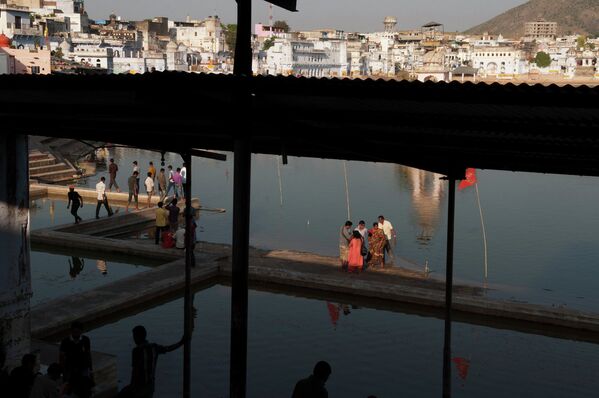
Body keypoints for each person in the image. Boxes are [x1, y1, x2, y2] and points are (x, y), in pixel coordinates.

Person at [118, 325, 183, 398]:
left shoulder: (136, 351)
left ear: (138, 337)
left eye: (134, 336)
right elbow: (168, 348)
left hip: (138, 389)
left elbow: (135, 372)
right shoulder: (154, 347)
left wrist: (132, 389)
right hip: (150, 387)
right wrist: (181, 342)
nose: (133, 339)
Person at [59, 321, 93, 398]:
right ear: (71, 331)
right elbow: (62, 358)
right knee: (69, 388)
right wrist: (64, 372)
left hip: (83, 367)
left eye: (78, 331)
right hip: (70, 369)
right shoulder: (65, 341)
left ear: (81, 331)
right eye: (74, 331)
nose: (76, 333)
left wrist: (91, 370)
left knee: (85, 387)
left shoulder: (85, 340)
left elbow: (88, 354)